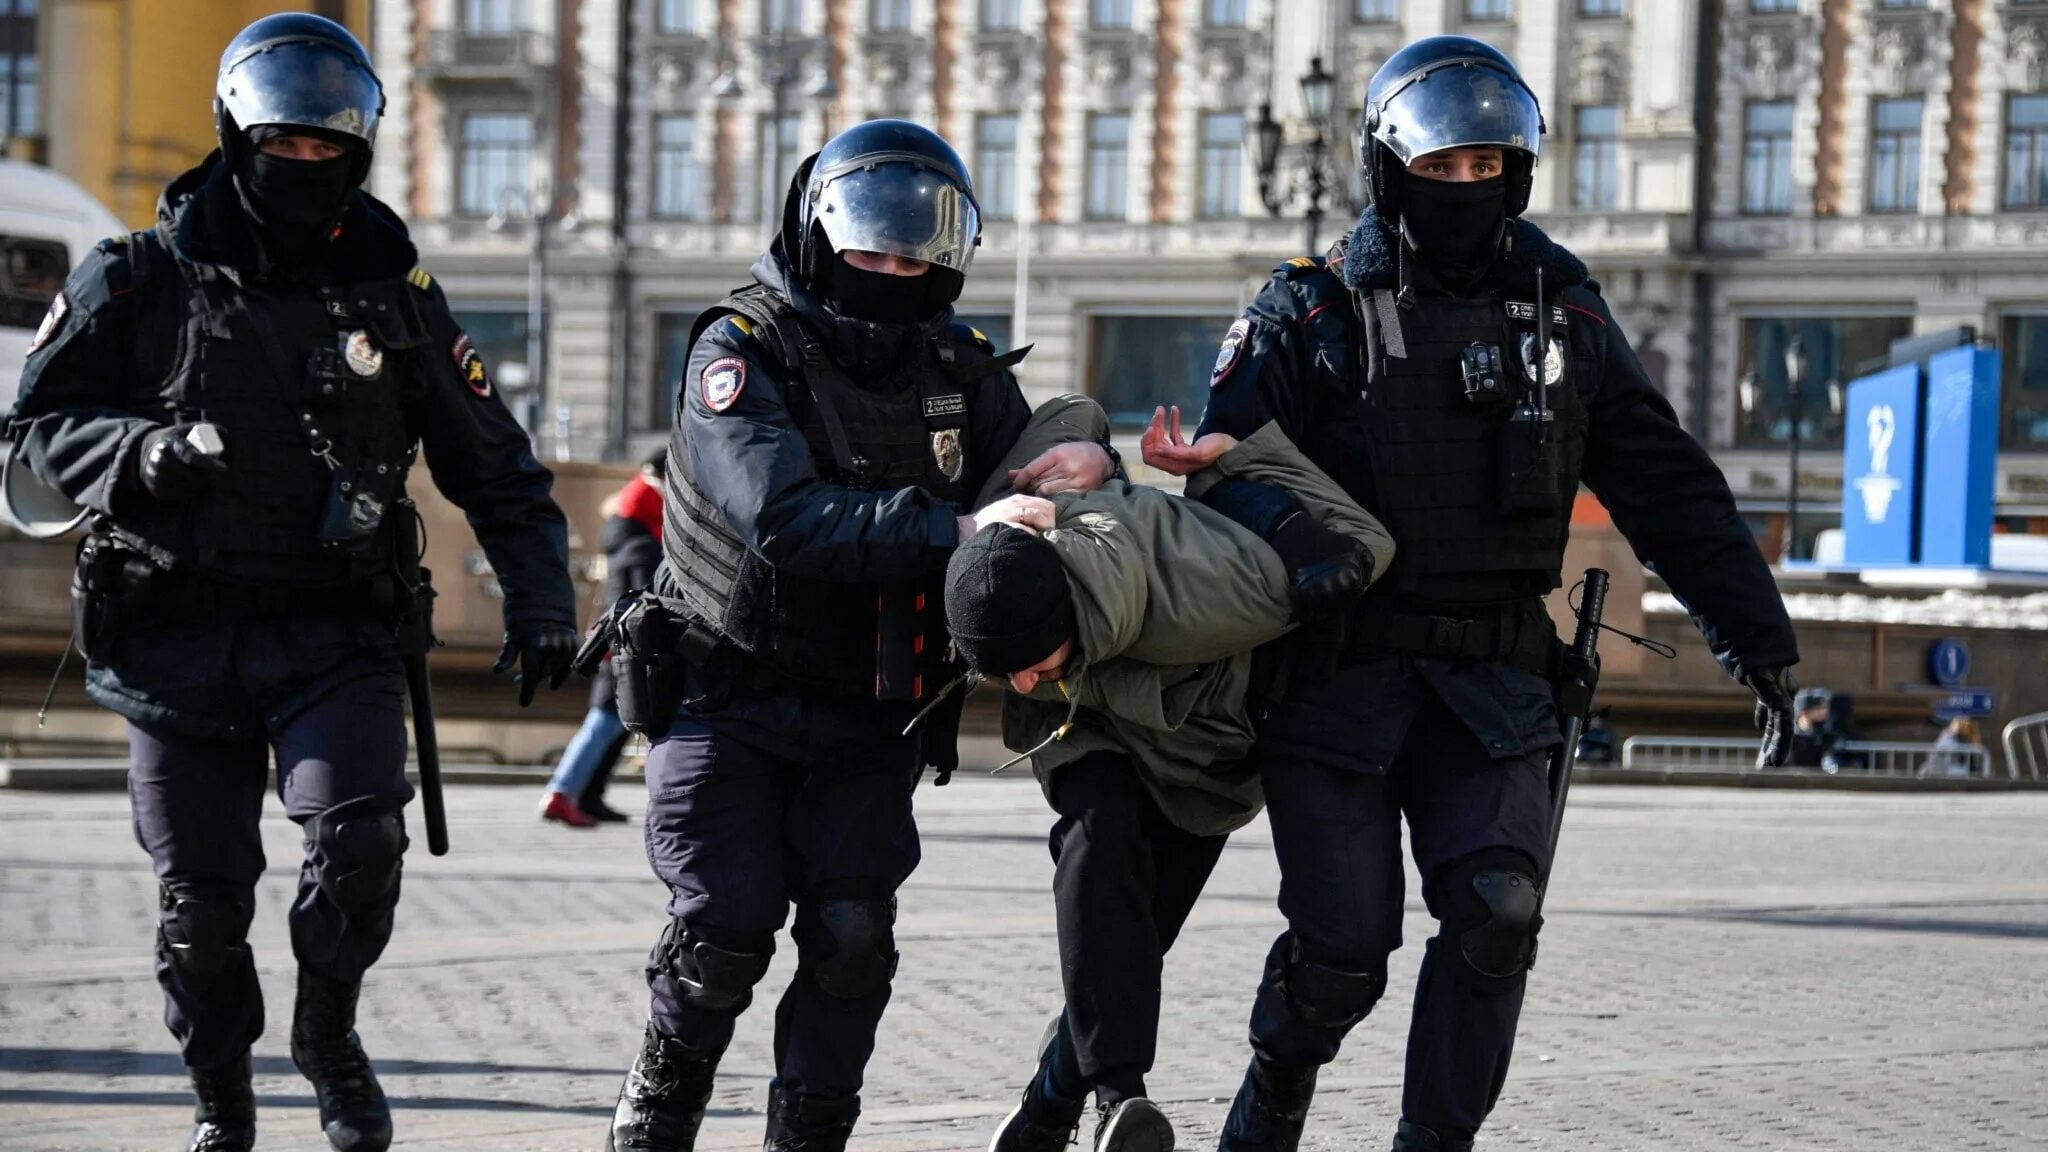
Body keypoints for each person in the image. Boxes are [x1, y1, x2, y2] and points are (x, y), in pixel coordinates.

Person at [1157, 36, 1804, 1152]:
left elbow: (1670, 490)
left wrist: (1758, 640)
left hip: (1497, 684)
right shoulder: (1303, 314)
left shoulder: (1570, 317)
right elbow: (1217, 480)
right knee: (1342, 954)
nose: (1467, 188)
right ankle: (1272, 1099)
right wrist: (1291, 530)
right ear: (1385, 166)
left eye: (1487, 167)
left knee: (1498, 918)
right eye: (1442, 167)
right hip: (1336, 684)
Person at [2, 15, 579, 1152]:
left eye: (328, 148)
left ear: (356, 149)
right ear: (236, 133)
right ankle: (223, 1101)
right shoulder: (135, 278)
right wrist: (134, 456)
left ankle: (327, 1036)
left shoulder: (393, 290)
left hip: (334, 634)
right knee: (202, 916)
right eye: (285, 144)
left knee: (361, 846)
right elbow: (28, 438)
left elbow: (495, 465)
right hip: (173, 638)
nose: (305, 166)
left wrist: (543, 598)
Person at [605, 120, 1117, 1152]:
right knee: (722, 933)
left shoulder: (955, 365)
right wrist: (961, 526)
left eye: (914, 256)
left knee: (852, 939)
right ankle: (653, 1120)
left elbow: (1026, 460)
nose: (890, 273)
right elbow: (784, 520)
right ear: (814, 232)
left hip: (873, 707)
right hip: (727, 692)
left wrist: (1082, 458)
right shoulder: (737, 349)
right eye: (869, 251)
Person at [946, 396, 1391, 1152]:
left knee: (1128, 947)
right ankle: (1122, 1101)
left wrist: (1233, 464)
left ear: (1072, 623)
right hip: (1090, 732)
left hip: (1197, 760)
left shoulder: (1222, 593)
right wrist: (1092, 460)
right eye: (1003, 674)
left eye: (1030, 667)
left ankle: (1049, 1108)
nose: (1019, 685)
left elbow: (1365, 544)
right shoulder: (1018, 546)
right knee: (1099, 844)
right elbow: (1072, 409)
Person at [539, 445, 667, 826]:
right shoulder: (642, 544)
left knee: (614, 724)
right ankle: (561, 792)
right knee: (604, 723)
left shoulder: (628, 536)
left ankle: (587, 795)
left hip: (616, 645)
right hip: (624, 649)